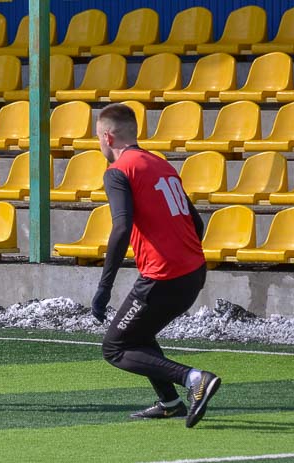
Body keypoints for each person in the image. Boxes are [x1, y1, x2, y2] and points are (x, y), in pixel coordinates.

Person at [90, 103, 220, 428]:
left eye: (98, 138)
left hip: (164, 276)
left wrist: (103, 288)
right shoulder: (159, 163)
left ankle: (194, 380)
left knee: (115, 348)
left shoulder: (119, 171)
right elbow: (196, 222)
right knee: (139, 331)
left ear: (107, 136)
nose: (99, 144)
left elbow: (121, 226)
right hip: (192, 271)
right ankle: (169, 402)